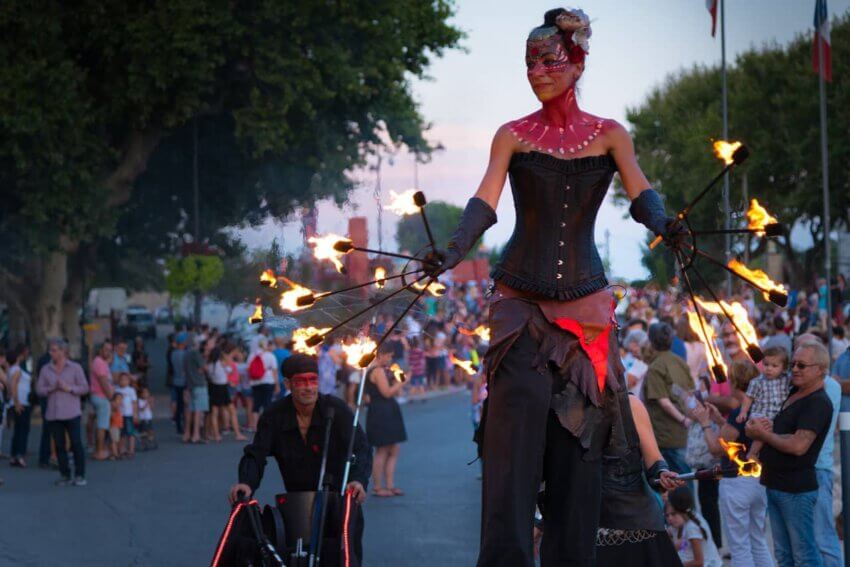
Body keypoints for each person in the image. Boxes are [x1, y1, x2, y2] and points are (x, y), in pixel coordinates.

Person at [430, 8, 685, 565]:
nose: (536, 71)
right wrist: (450, 252)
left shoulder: (610, 134)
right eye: (529, 62)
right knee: (511, 457)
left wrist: (669, 227)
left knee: (581, 456)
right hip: (521, 308)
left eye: (548, 60)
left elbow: (643, 196)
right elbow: (484, 202)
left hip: (587, 315)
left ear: (577, 63)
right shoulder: (512, 135)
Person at [229, 353, 371, 563]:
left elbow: (362, 448)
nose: (309, 387)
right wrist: (246, 482)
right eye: (301, 382)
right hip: (297, 505)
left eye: (312, 380)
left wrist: (358, 480)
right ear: (288, 383)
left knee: (342, 558)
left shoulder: (336, 410)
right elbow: (256, 453)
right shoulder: (274, 415)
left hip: (338, 500)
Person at [746, 342, 834, 567]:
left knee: (804, 556)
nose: (794, 369)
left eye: (802, 365)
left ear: (820, 369)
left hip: (796, 490)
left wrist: (764, 436)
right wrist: (765, 427)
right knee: (784, 556)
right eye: (793, 364)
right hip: (775, 484)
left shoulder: (818, 402)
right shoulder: (795, 392)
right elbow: (784, 433)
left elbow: (798, 445)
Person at [691, 362, 774, 567]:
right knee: (757, 540)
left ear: (735, 383)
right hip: (758, 480)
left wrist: (704, 423)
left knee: (739, 545)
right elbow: (736, 437)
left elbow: (716, 448)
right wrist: (720, 421)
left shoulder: (739, 413)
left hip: (737, 482)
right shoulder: (761, 407)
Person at [594, 394, 683, 566]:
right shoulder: (564, 403)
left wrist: (662, 473)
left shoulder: (630, 405)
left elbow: (654, 460)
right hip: (588, 526)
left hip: (637, 525)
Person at [643, 322, 694, 485]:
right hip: (681, 434)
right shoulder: (679, 362)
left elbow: (664, 402)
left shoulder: (656, 367)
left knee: (674, 483)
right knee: (685, 478)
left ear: (651, 342)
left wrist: (682, 419)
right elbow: (689, 393)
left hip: (665, 435)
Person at [36, 338, 89, 486]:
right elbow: (39, 389)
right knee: (59, 445)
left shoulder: (75, 368)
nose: (50, 353)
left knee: (76, 443)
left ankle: (80, 474)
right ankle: (64, 474)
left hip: (72, 412)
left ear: (62, 351)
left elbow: (85, 387)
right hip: (53, 413)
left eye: (53, 350)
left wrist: (69, 388)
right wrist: (50, 389)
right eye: (50, 350)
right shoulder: (45, 369)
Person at [365, 345, 408, 497]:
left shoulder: (378, 370)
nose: (390, 359)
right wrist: (401, 382)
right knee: (382, 450)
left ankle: (389, 485)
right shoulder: (377, 371)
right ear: (381, 355)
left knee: (393, 449)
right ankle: (378, 487)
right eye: (388, 356)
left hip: (386, 410)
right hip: (381, 412)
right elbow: (387, 393)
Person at [736, 346, 791, 459]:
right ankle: (752, 453)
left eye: (774, 366)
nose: (769, 369)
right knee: (762, 431)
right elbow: (748, 397)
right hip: (761, 414)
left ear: (784, 368)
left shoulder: (786, 379)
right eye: (766, 365)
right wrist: (743, 412)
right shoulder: (757, 382)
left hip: (777, 414)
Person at [665, 486, 723, 567]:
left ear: (678, 507)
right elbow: (684, 545)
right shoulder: (691, 516)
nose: (670, 518)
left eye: (673, 514)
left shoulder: (691, 528)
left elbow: (699, 562)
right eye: (667, 515)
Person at [8, 345, 32, 468]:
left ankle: (14, 454)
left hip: (18, 402)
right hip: (21, 403)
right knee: (23, 430)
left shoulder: (13, 369)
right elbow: (13, 386)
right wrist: (17, 403)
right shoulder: (17, 370)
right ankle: (20, 455)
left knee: (18, 430)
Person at [89, 341, 114, 460]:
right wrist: (111, 397)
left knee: (99, 423)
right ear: (100, 350)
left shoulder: (100, 362)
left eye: (110, 350)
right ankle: (100, 451)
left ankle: (98, 449)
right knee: (102, 426)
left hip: (98, 396)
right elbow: (103, 382)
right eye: (106, 350)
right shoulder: (99, 363)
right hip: (102, 396)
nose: (109, 352)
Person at [248, 337, 279, 430]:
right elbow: (274, 371)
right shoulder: (270, 355)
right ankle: (267, 425)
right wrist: (276, 385)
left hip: (255, 382)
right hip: (268, 381)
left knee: (256, 404)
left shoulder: (252, 355)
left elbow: (248, 369)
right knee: (267, 403)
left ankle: (255, 426)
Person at [184, 336, 209, 444]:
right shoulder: (196, 353)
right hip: (199, 384)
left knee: (191, 410)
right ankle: (196, 435)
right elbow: (204, 368)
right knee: (199, 411)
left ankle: (187, 434)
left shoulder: (186, 354)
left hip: (190, 384)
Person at [114, 372, 138, 457]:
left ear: (129, 381)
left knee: (130, 432)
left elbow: (134, 402)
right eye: (121, 380)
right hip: (120, 415)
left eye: (125, 379)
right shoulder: (116, 390)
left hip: (129, 414)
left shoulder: (131, 390)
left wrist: (135, 414)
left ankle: (131, 449)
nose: (123, 381)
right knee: (122, 433)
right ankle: (122, 449)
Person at [170, 333, 188, 435]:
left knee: (178, 403)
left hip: (176, 380)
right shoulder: (185, 354)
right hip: (183, 381)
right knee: (184, 404)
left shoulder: (174, 353)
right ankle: (184, 425)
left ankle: (178, 425)